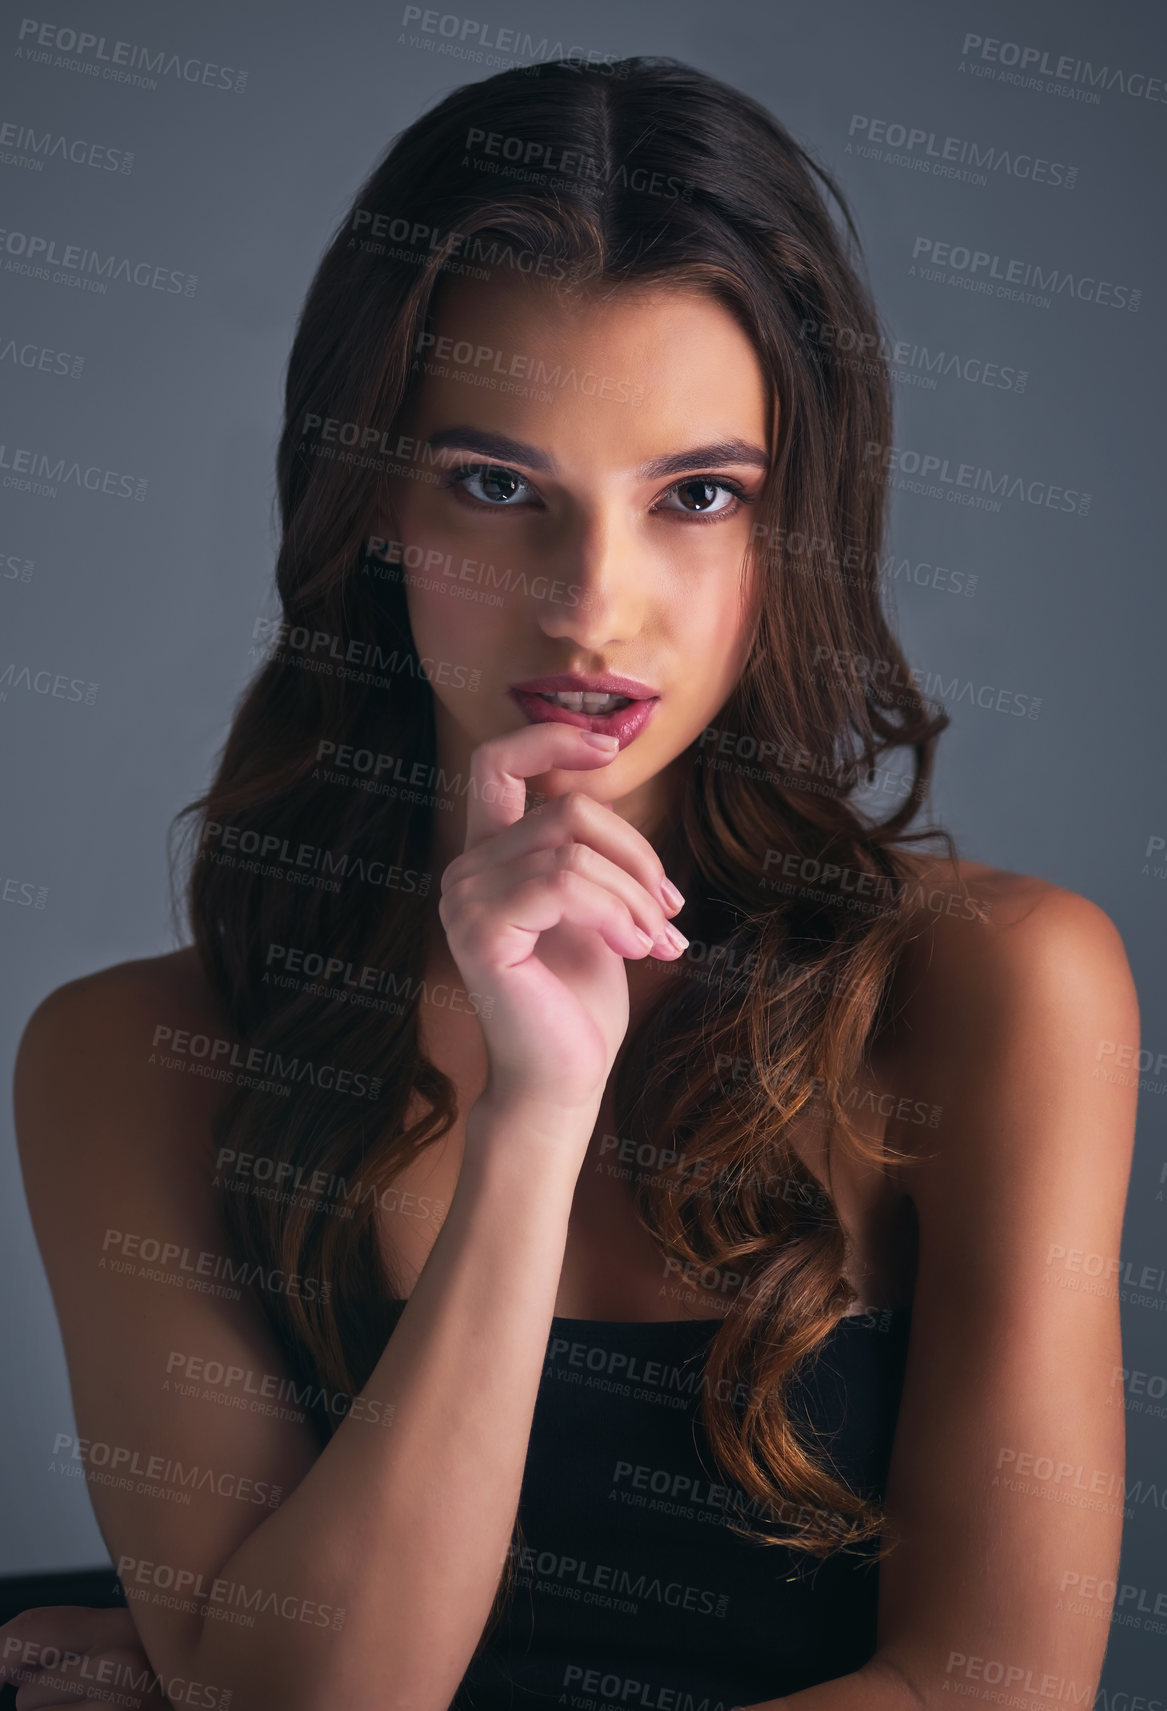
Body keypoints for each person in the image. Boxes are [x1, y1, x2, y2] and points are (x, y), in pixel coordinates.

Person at [1, 54, 1137, 1711]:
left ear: (789, 526)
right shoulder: (131, 1059)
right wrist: (535, 1121)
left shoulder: (995, 990)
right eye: (494, 487)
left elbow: (993, 1692)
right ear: (374, 504)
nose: (591, 607)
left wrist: (191, 1672)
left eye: (696, 497)